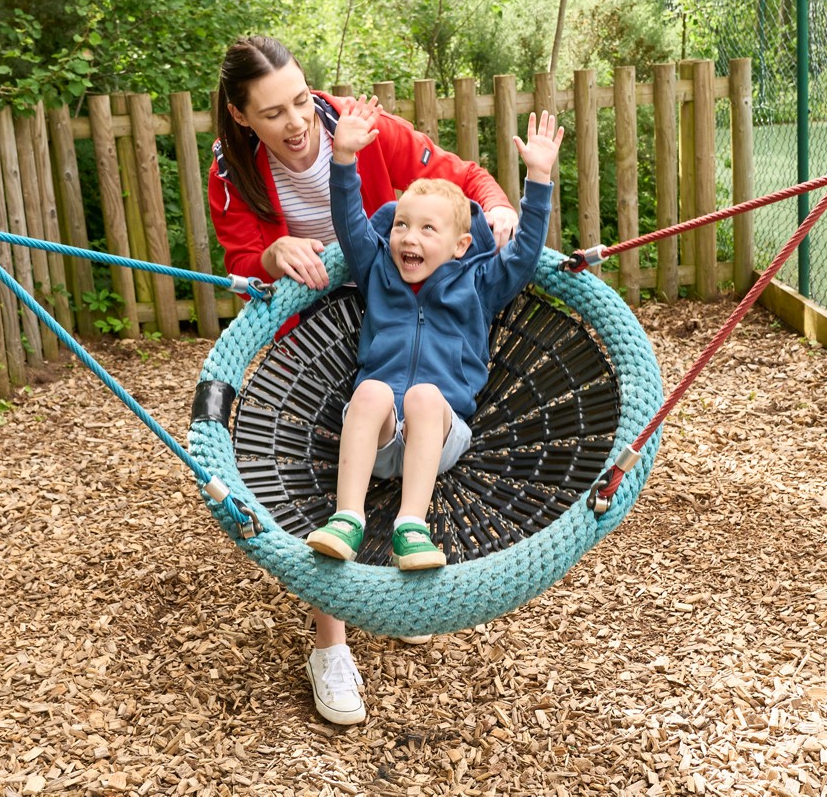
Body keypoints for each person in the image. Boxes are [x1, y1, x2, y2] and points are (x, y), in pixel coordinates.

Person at [208, 35, 521, 726]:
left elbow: (461, 178)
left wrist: (497, 205)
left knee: (413, 428)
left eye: (299, 100)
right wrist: (270, 250)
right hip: (317, 331)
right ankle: (332, 645)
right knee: (327, 469)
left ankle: (394, 595)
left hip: (403, 302)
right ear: (240, 116)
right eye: (270, 114)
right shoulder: (234, 174)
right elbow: (241, 259)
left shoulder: (364, 129)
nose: (294, 124)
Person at [303, 98, 563, 720]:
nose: (408, 238)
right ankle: (348, 519)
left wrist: (539, 180)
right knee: (369, 391)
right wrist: (344, 159)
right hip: (382, 431)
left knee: (422, 395)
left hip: (441, 430)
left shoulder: (478, 281)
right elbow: (349, 221)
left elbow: (523, 252)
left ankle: (409, 526)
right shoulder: (378, 271)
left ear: (460, 243)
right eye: (401, 225)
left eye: (426, 229)